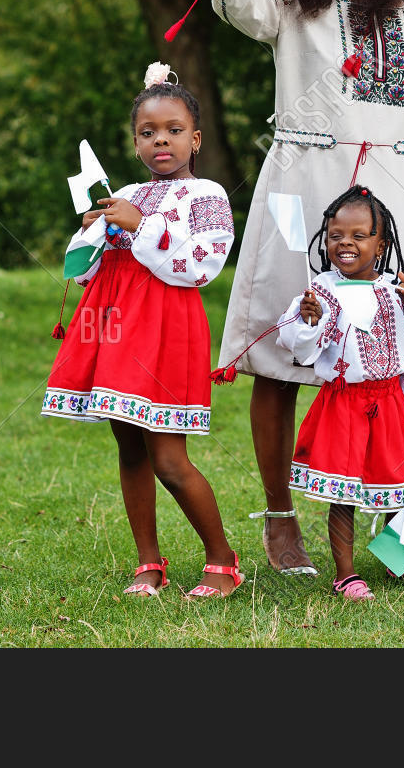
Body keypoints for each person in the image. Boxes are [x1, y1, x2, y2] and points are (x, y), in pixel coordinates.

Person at [211, 0, 404, 577]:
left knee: (401, 365)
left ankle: (396, 536)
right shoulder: (296, 5)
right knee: (284, 356)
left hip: (396, 204)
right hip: (303, 193)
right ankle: (280, 519)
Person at [42, 62, 243, 599]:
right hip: (113, 324)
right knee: (128, 446)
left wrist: (140, 224)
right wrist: (91, 233)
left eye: (174, 131)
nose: (161, 141)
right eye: (148, 132)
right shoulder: (127, 192)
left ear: (195, 138)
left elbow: (200, 265)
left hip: (165, 328)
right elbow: (83, 271)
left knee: (169, 458)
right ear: (134, 141)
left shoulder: (209, 196)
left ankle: (222, 558)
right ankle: (148, 563)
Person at [275, 186, 404, 600]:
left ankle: (401, 562)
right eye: (336, 236)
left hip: (392, 401)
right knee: (344, 491)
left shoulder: (399, 291)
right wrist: (309, 321)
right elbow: (298, 347)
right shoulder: (319, 290)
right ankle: (346, 574)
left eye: (359, 236)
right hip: (345, 405)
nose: (346, 244)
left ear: (381, 242)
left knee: (398, 486)